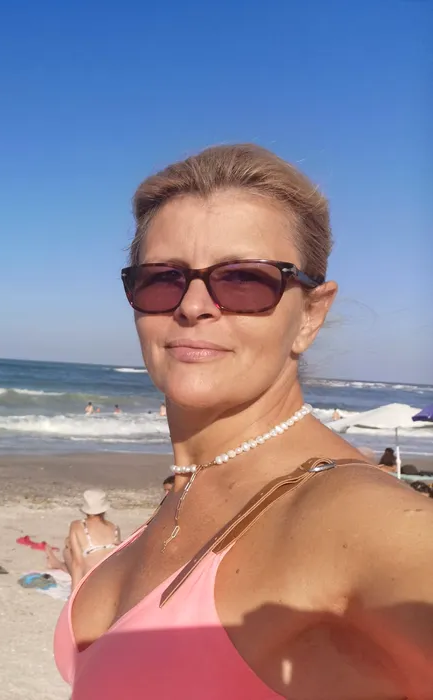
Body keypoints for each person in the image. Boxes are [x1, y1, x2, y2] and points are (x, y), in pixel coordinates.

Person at [54, 144, 433, 697]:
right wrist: (95, 569)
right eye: (163, 278)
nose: (193, 305)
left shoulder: (360, 519)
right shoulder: (187, 489)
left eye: (244, 280)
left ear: (310, 315)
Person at [46, 490, 121, 590]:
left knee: (67, 552)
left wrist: (74, 592)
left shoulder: (77, 525)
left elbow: (78, 564)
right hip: (111, 579)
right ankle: (59, 565)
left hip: (91, 581)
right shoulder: (115, 528)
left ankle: (59, 565)